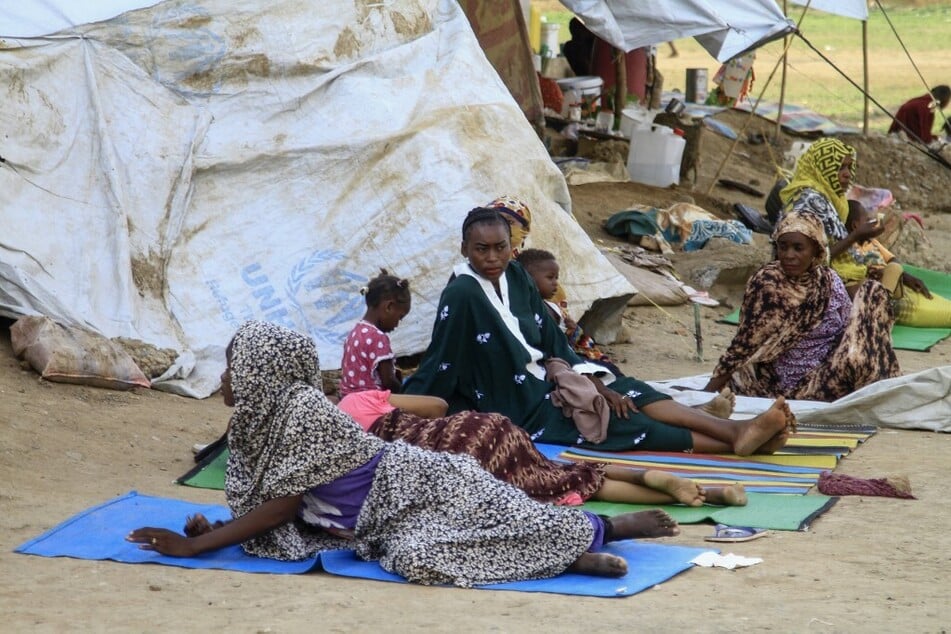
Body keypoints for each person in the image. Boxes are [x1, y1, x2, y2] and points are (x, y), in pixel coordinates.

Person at [128, 321, 682, 585]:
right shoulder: (256, 422)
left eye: (233, 364)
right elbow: (270, 501)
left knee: (507, 512)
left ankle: (605, 528)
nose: (227, 377)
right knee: (421, 559)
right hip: (379, 525)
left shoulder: (300, 411)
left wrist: (195, 548)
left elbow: (281, 508)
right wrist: (219, 528)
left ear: (261, 370)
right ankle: (568, 553)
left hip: (419, 484)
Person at [403, 206, 793, 455]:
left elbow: (551, 340)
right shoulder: (462, 294)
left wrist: (594, 382)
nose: (492, 258)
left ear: (510, 246)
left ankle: (737, 431)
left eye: (500, 248)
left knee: (632, 391)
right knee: (623, 424)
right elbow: (442, 360)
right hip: (519, 402)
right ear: (463, 250)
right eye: (481, 249)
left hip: (553, 377)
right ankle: (735, 441)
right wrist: (397, 404)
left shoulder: (517, 275)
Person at [337, 393, 747, 507]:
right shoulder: (357, 400)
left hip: (451, 458)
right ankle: (704, 491)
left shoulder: (330, 441)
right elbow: (438, 407)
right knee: (556, 469)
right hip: (479, 426)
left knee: (561, 489)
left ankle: (688, 492)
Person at [703, 211, 901, 401]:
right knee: (861, 352)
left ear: (816, 250)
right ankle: (873, 384)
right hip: (795, 385)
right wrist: (708, 391)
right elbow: (744, 344)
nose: (789, 255)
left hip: (832, 366)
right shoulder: (769, 283)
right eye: (783, 247)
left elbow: (851, 328)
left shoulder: (827, 280)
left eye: (798, 248)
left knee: (872, 295)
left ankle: (873, 381)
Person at [337, 269, 447, 419]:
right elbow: (388, 380)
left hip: (348, 402)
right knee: (436, 406)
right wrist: (404, 393)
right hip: (370, 404)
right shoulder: (378, 338)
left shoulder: (354, 332)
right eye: (400, 317)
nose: (397, 324)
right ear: (389, 307)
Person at [836, 201, 951, 328]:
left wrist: (906, 276)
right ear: (855, 226)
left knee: (940, 302)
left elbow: (892, 260)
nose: (872, 222)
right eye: (867, 220)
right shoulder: (845, 252)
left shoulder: (871, 242)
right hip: (891, 299)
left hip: (897, 288)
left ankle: (882, 305)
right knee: (946, 315)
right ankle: (881, 310)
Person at [517, 247, 623, 377]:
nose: (555, 283)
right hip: (550, 362)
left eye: (556, 278)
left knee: (609, 368)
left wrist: (573, 331)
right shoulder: (520, 310)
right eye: (550, 278)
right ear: (528, 278)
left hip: (568, 356)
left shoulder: (554, 308)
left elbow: (575, 343)